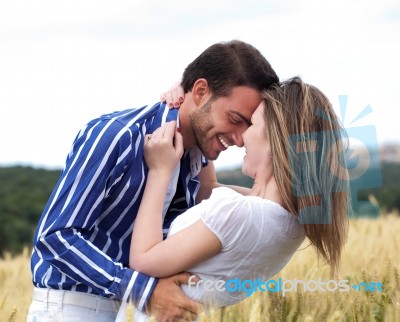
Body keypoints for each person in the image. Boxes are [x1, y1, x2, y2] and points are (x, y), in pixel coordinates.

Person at [27, 40, 279, 322]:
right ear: (200, 91)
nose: (239, 138)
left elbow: (210, 195)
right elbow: (54, 237)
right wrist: (143, 290)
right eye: (234, 119)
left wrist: (282, 202)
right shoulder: (116, 135)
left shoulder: (198, 154)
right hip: (76, 309)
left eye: (248, 126)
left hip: (136, 311)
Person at [128, 77, 350, 321]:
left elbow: (143, 259)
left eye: (252, 125)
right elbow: (208, 188)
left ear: (274, 142)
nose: (242, 137)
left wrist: (159, 172)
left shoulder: (239, 213)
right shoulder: (290, 224)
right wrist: (198, 104)